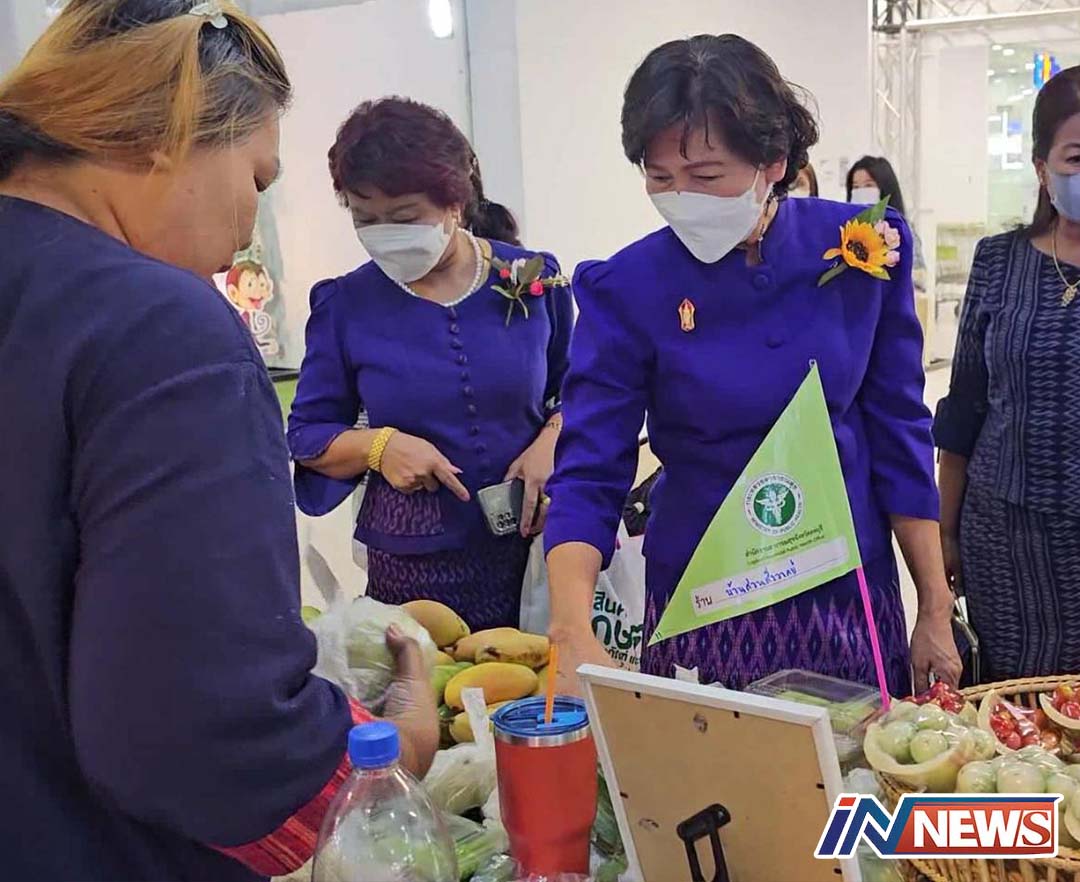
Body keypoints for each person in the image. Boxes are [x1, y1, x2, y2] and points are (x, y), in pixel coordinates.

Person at [0, 3, 436, 880]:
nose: (246, 227)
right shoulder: (160, 325)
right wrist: (391, 749)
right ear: (175, 128)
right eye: (258, 178)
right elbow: (206, 736)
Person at [544, 34, 961, 697]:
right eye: (660, 178)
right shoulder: (626, 286)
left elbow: (899, 430)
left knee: (856, 754)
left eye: (706, 177)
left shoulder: (861, 248)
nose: (682, 197)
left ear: (774, 161)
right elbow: (590, 467)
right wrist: (569, 627)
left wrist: (934, 606)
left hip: (843, 592)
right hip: (703, 599)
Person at [287, 97, 572, 631]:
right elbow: (306, 435)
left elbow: (581, 390)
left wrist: (552, 440)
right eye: (365, 219)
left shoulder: (534, 278)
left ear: (455, 202)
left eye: (404, 218)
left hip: (535, 543)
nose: (385, 233)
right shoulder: (345, 305)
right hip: (413, 563)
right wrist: (379, 447)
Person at [935, 66, 1080, 681]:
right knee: (1008, 705)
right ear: (1043, 169)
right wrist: (944, 532)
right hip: (1004, 538)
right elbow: (963, 408)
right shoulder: (999, 261)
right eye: (1076, 157)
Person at [848, 155, 927, 292]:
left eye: (869, 185)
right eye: (855, 187)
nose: (861, 192)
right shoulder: (847, 232)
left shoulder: (903, 230)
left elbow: (919, 280)